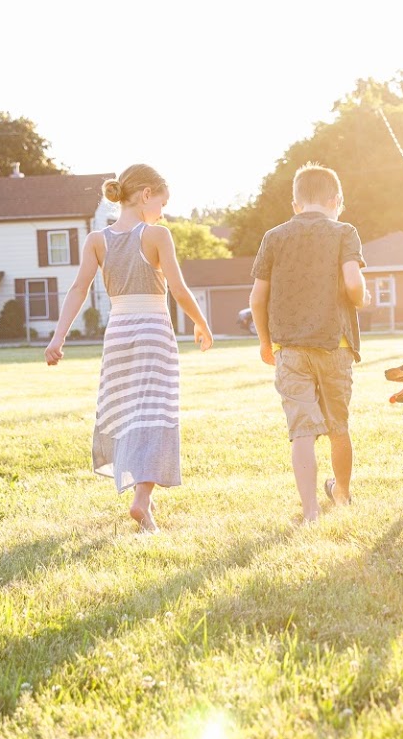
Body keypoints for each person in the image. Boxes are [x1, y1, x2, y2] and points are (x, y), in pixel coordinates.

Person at [45, 164, 213, 532]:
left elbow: (78, 290)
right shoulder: (156, 235)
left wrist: (58, 337)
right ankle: (142, 500)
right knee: (157, 412)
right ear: (146, 195)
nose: (163, 213)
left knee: (130, 413)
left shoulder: (96, 240)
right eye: (162, 203)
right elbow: (179, 289)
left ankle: (143, 500)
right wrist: (202, 323)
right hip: (153, 330)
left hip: (118, 332)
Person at [249, 163, 370, 523]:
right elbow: (353, 284)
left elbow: (257, 298)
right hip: (336, 344)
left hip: (290, 348)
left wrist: (265, 342)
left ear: (296, 204)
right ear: (335, 200)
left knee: (302, 429)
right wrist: (361, 298)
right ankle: (343, 494)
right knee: (338, 426)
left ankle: (310, 511)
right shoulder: (344, 232)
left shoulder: (274, 237)